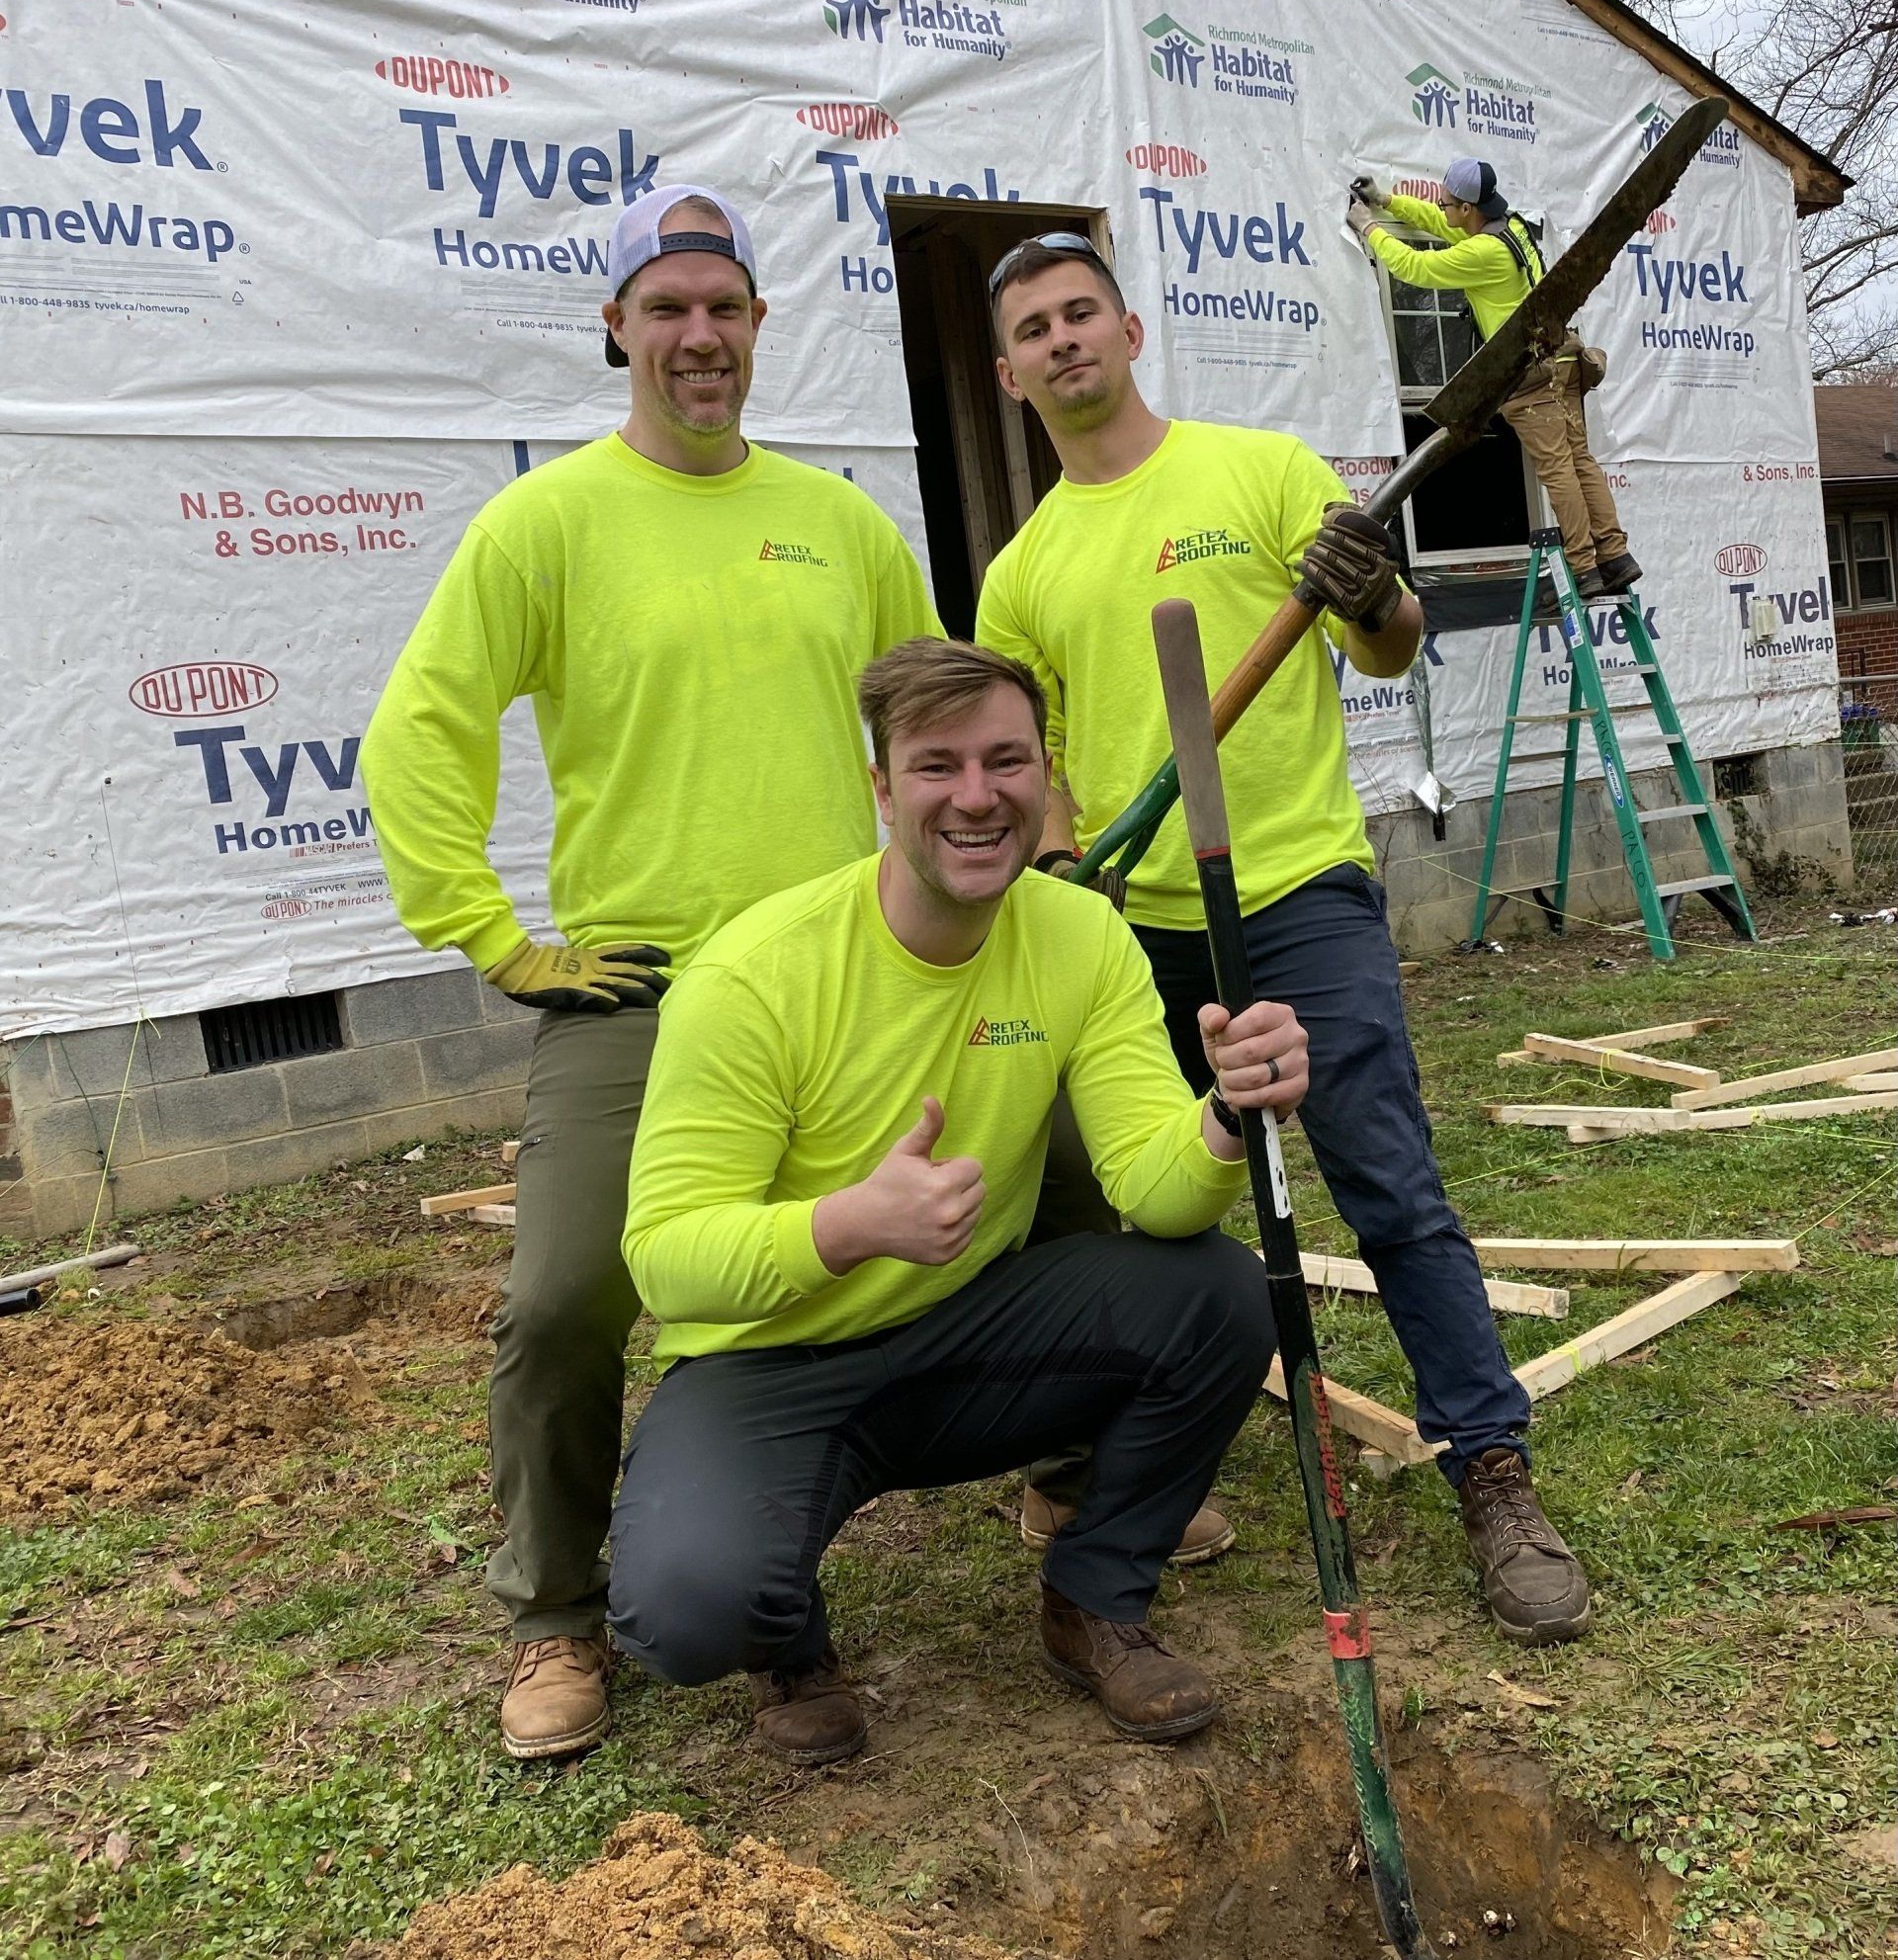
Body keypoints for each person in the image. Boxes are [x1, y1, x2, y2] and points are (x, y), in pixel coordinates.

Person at [361, 185, 943, 1760]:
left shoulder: (839, 527)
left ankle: (796, 1617)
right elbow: (420, 725)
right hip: (644, 991)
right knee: (562, 1302)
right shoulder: (547, 524)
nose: (699, 335)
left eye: (725, 306)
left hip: (838, 982)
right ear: (616, 325)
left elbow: (930, 720)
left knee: (802, 1292)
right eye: (668, 306)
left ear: (760, 327)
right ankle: (555, 1621)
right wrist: (495, 936)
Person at [976, 233, 1591, 1648]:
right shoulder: (1021, 575)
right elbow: (1044, 754)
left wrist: (1373, 588)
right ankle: (1130, 1472)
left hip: (1298, 892)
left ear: (1131, 329)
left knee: (1386, 1177)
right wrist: (1067, 860)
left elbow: (1390, 643)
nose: (1064, 340)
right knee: (1147, 1203)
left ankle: (1490, 1466)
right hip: (1139, 925)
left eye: (1083, 313)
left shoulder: (1258, 471)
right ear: (1010, 375)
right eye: (1035, 329)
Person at [607, 639, 1310, 1762]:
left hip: (969, 1334)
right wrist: (846, 1225)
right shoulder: (753, 977)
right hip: (772, 1367)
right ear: (881, 789)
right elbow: (667, 1258)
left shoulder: (1080, 935)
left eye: (1006, 760)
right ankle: (785, 1638)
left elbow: (1155, 1192)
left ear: (1045, 775)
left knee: (1222, 1295)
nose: (977, 798)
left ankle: (1094, 1597)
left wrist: (1228, 1114)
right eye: (937, 767)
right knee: (689, 1613)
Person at [1347, 158, 1639, 604]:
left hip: (1532, 376)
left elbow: (1415, 268)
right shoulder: (1511, 228)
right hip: (1563, 361)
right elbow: (1440, 224)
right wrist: (1387, 201)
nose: (1441, 210)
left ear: (1468, 209)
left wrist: (1369, 227)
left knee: (1559, 471)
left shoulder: (1483, 254)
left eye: (1448, 205)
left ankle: (1585, 570)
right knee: (1580, 462)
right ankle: (1615, 557)